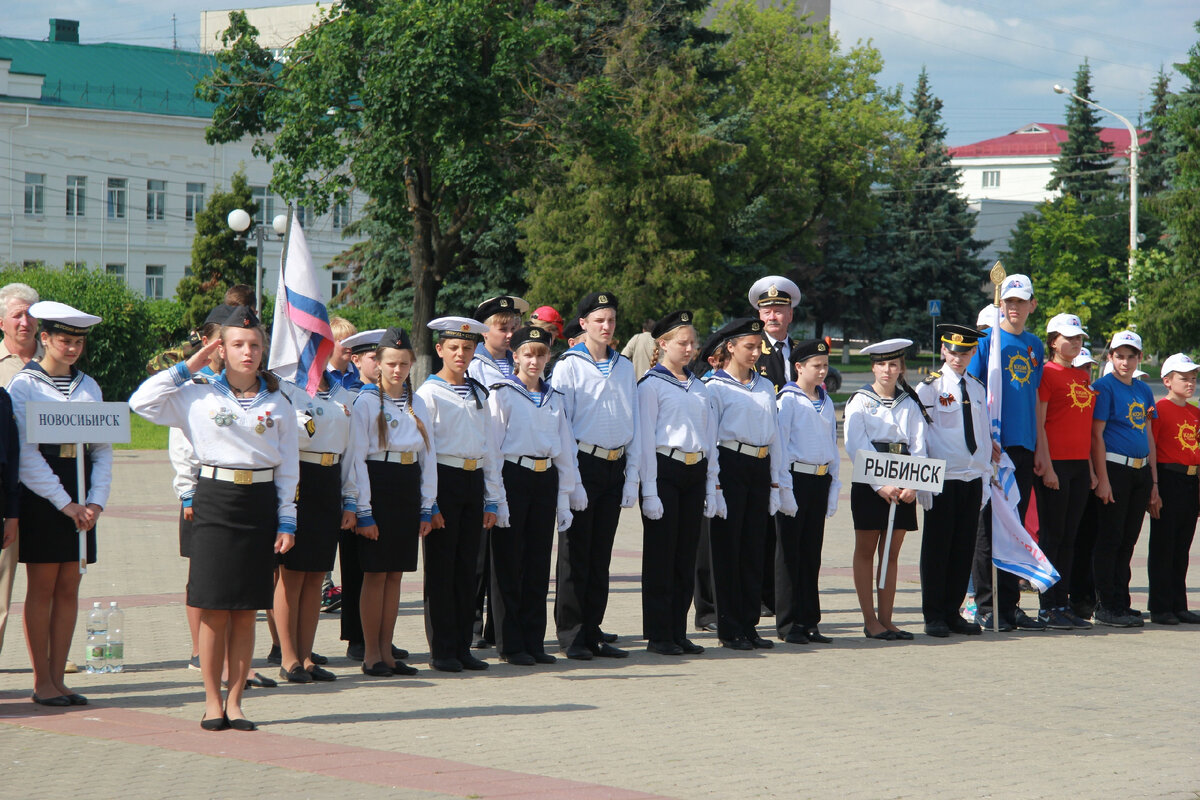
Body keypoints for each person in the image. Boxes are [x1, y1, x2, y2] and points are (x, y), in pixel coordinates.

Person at [129, 305, 297, 730]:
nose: (248, 352)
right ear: (219, 348)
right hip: (215, 500)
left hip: (259, 501)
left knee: (245, 611)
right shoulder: (197, 393)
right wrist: (188, 366)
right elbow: (140, 402)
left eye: (255, 344)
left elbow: (290, 466)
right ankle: (211, 700)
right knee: (212, 608)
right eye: (238, 344)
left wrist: (287, 519)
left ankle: (237, 701)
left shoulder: (278, 400)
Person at [9, 302, 108, 706]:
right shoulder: (24, 385)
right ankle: (42, 681)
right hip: (43, 495)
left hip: (82, 493)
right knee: (44, 586)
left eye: (78, 342)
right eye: (64, 340)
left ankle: (60, 678)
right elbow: (26, 454)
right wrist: (65, 503)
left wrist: (96, 502)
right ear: (44, 338)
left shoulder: (89, 386)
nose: (71, 349)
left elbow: (103, 449)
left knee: (71, 584)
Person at [553, 291, 640, 660]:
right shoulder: (568, 365)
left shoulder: (622, 366)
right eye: (599, 320)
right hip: (582, 463)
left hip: (613, 464)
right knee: (576, 554)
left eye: (612, 320)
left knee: (601, 555)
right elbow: (562, 424)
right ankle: (572, 635)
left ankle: (593, 630)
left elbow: (632, 418)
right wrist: (570, 479)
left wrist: (632, 473)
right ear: (584, 324)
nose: (607, 327)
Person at [486, 325, 577, 666]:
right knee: (509, 562)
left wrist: (566, 495)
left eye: (541, 354)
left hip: (545, 478)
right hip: (514, 475)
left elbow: (565, 447)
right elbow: (493, 448)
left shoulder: (554, 396)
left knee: (538, 563)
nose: (535, 361)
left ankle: (534, 640)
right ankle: (510, 643)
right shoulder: (503, 393)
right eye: (528, 354)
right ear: (516, 357)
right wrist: (496, 497)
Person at [417, 317, 502, 672]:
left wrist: (492, 497)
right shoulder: (428, 393)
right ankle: (442, 648)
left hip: (472, 480)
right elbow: (426, 451)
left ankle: (464, 645)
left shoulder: (480, 392)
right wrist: (429, 502)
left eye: (467, 348)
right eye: (453, 347)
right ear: (440, 350)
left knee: (468, 568)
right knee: (442, 569)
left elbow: (490, 448)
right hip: (444, 481)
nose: (461, 354)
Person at [347, 327, 433, 676]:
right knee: (375, 574)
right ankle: (371, 653)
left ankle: (388, 650)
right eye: (391, 363)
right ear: (377, 364)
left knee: (395, 574)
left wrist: (428, 505)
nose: (397, 370)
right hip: (378, 485)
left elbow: (429, 456)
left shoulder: (418, 403)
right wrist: (363, 510)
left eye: (404, 363)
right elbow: (357, 459)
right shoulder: (366, 402)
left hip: (406, 486)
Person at [967, 275, 1047, 632]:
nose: (1014, 308)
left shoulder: (1034, 345)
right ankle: (987, 605)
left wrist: (1039, 449)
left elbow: (1033, 398)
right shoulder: (987, 341)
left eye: (1021, 302)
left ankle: (1009, 604)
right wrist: (985, 437)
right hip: (994, 446)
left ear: (1032, 305)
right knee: (988, 527)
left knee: (1014, 527)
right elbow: (971, 391)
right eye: (1009, 301)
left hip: (1024, 445)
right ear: (1002, 304)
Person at [273, 366, 358, 683]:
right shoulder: (286, 386)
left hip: (329, 479)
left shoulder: (340, 391)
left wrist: (350, 498)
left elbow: (351, 450)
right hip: (300, 479)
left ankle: (307, 655)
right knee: (291, 574)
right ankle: (288, 656)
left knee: (316, 576)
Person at [705, 317, 782, 650]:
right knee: (727, 549)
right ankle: (728, 626)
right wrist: (715, 485)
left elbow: (775, 433)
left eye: (758, 347)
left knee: (753, 547)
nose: (755, 353)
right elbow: (710, 438)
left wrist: (778, 482)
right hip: (730, 464)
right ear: (730, 348)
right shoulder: (714, 387)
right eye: (749, 347)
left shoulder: (764, 385)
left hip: (759, 465)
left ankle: (749, 624)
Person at [636, 310, 710, 656]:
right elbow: (645, 440)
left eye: (693, 343)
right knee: (661, 557)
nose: (690, 349)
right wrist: (648, 489)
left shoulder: (697, 385)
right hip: (665, 470)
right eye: (683, 343)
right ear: (663, 344)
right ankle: (658, 633)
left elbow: (707, 436)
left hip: (695, 472)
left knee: (685, 556)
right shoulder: (651, 384)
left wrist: (711, 484)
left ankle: (678, 630)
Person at [843, 339, 926, 641]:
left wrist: (912, 484)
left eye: (893, 364)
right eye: (881, 364)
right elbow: (855, 444)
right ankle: (870, 620)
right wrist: (879, 484)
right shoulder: (860, 400)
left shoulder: (910, 402)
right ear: (873, 367)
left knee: (891, 553)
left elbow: (919, 445)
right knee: (866, 550)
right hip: (870, 482)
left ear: (901, 367)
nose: (887, 370)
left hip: (904, 480)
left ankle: (888, 619)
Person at [915, 325, 990, 638]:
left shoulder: (976, 387)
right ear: (944, 351)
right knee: (938, 548)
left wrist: (986, 474)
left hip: (971, 475)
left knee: (963, 549)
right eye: (954, 351)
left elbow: (983, 433)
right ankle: (934, 614)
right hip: (943, 477)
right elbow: (919, 437)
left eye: (966, 352)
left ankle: (953, 611)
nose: (959, 358)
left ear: (973, 353)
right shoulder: (930, 388)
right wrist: (922, 480)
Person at [1030, 313, 1096, 630]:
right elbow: (1039, 423)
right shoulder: (1046, 373)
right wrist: (1047, 465)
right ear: (1053, 341)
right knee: (1053, 537)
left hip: (1080, 466)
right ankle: (1047, 607)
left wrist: (1091, 470)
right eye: (1067, 337)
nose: (1074, 342)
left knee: (1070, 538)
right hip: (1055, 464)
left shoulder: (1082, 377)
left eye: (1078, 337)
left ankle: (1063, 603)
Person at [468, 296, 526, 649]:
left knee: (506, 552)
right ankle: (472, 625)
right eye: (502, 328)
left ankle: (496, 627)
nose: (509, 335)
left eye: (513, 328)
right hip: (485, 465)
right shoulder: (475, 365)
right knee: (479, 553)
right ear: (484, 331)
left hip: (515, 467)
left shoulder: (518, 363)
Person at [1090, 330, 1159, 628]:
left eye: (1131, 357)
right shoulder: (1103, 387)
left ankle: (1122, 601)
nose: (1125, 362)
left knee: (1128, 541)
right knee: (1110, 538)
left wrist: (1154, 482)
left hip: (1140, 470)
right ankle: (1105, 603)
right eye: (1119, 356)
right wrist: (1102, 479)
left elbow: (1148, 434)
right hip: (1115, 468)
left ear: (1139, 358)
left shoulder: (1143, 390)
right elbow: (1096, 435)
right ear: (1110, 357)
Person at [775, 339, 841, 644]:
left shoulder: (825, 400)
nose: (822, 371)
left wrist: (834, 483)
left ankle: (809, 620)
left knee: (811, 554)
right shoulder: (788, 400)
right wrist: (783, 488)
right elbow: (781, 445)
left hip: (818, 479)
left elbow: (831, 444)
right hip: (796, 479)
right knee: (790, 554)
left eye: (825, 365)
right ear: (799, 367)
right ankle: (789, 624)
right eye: (817, 366)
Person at [332, 328, 389, 662]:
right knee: (356, 565)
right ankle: (356, 636)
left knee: (380, 566)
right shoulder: (347, 393)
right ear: (356, 360)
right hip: (352, 484)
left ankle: (379, 636)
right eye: (373, 358)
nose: (380, 365)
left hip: (382, 484)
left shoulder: (388, 393)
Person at [749, 276, 802, 619]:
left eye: (780, 309)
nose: (773, 315)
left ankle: (776, 595)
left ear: (790, 314)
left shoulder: (800, 353)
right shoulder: (752, 350)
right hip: (760, 448)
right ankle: (757, 596)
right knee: (759, 529)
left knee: (784, 529)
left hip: (793, 453)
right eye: (767, 309)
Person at [0, 282, 39, 661]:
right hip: (4, 487)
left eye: (30, 314)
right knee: (2, 581)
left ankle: (47, 657)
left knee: (48, 581)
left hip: (50, 488)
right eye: (17, 314)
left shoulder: (59, 360)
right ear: (1, 323)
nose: (25, 322)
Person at [1148, 353, 1200, 625]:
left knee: (1182, 545)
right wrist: (1153, 486)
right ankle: (1160, 606)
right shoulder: (1158, 410)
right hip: (1168, 477)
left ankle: (1179, 603)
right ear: (1167, 381)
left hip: (1191, 480)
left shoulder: (1195, 412)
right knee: (1163, 545)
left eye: (1193, 378)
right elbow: (1152, 450)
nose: (1190, 383)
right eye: (1184, 378)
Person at [691, 329, 728, 634]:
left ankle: (729, 607)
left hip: (734, 465)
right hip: (708, 464)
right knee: (706, 545)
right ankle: (706, 609)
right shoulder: (707, 385)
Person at [326, 316, 360, 391]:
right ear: (330, 343)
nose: (349, 346)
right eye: (344, 341)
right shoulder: (321, 375)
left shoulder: (359, 373)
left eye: (352, 341)